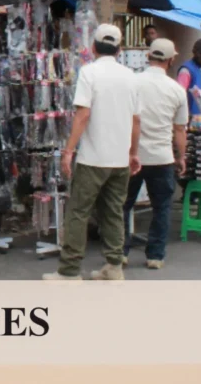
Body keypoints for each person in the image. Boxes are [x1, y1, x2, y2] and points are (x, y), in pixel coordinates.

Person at [44, 24, 140, 281]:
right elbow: (136, 120)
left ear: (94, 47)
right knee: (114, 212)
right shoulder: (131, 76)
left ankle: (69, 270)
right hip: (120, 159)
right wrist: (133, 153)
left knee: (78, 212)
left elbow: (83, 114)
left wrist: (68, 150)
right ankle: (114, 265)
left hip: (92, 158)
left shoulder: (89, 73)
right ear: (119, 50)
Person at [123, 38, 188, 269]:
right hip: (162, 157)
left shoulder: (133, 82)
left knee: (123, 204)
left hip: (132, 155)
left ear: (148, 56)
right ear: (171, 60)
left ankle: (120, 251)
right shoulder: (177, 90)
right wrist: (181, 157)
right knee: (161, 207)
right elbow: (179, 129)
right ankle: (155, 255)